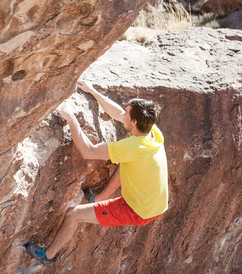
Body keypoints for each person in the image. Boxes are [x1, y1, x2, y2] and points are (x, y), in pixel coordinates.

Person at [24, 80, 168, 266]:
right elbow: (118, 113)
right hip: (156, 203)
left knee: (72, 214)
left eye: (127, 114)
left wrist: (71, 120)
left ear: (133, 122)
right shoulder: (153, 131)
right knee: (125, 163)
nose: (123, 114)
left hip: (138, 211)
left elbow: (88, 151)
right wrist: (93, 91)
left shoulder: (131, 147)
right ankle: (100, 198)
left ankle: (48, 256)